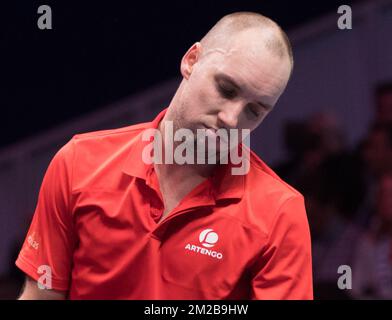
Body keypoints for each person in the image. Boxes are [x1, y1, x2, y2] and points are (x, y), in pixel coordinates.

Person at [16, 11, 313, 300]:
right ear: (191, 60)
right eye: (226, 89)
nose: (232, 119)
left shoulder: (280, 214)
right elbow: (41, 295)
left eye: (255, 110)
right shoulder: (78, 162)